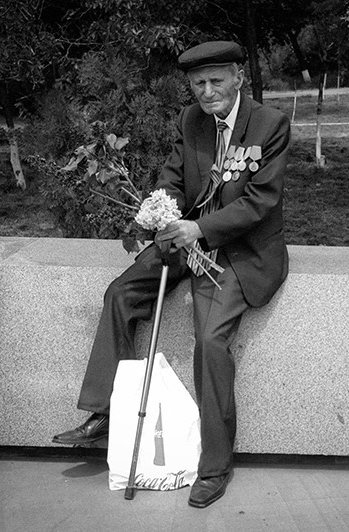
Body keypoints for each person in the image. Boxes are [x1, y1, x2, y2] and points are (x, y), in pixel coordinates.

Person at [52, 40, 290, 510]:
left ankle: (215, 466)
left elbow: (260, 201)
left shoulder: (270, 124)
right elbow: (173, 178)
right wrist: (162, 209)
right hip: (184, 240)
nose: (207, 91)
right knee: (120, 293)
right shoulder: (190, 120)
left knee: (211, 341)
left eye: (216, 81)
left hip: (239, 252)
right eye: (198, 84)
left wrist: (199, 229)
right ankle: (106, 412)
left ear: (238, 78)